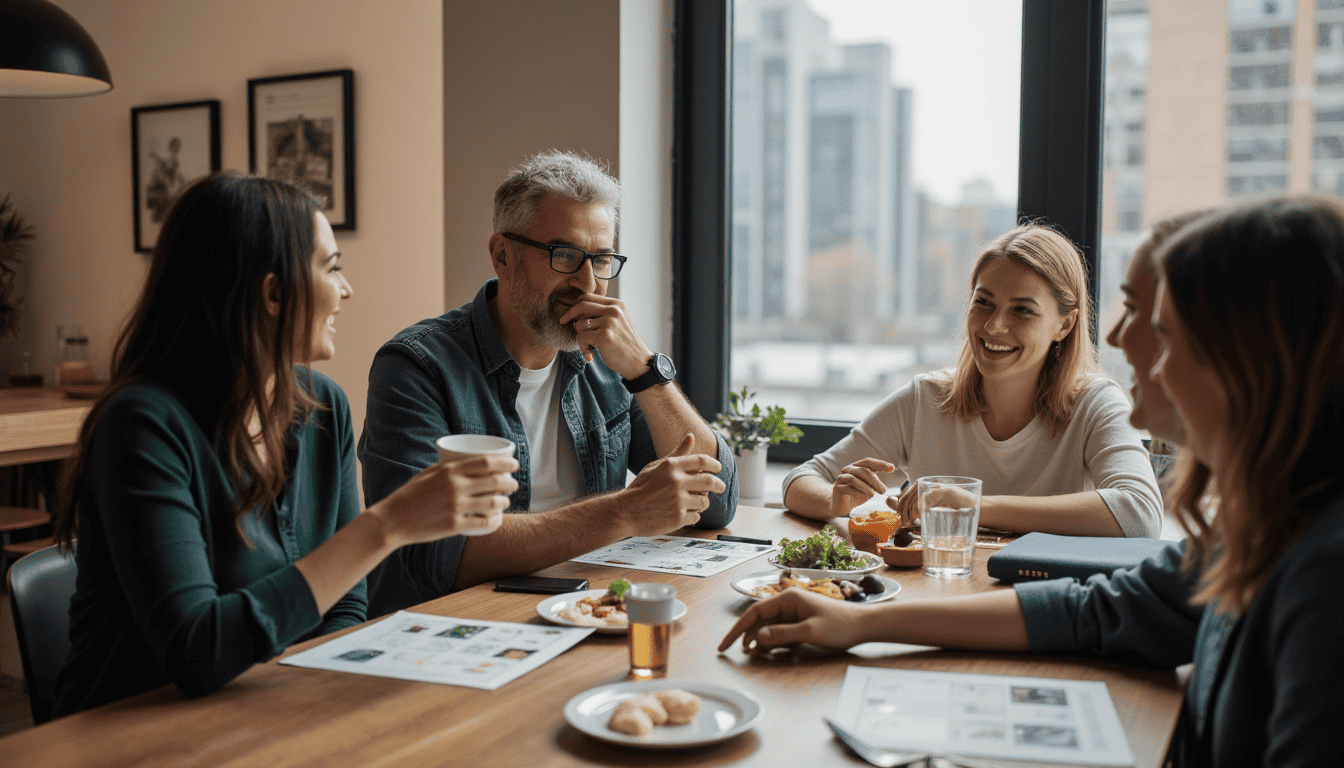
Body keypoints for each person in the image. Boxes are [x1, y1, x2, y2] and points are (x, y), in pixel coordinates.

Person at [720, 199, 1344, 767]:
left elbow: (1130, 521)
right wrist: (858, 623)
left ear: (1245, 363)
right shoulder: (1248, 536)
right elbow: (1090, 610)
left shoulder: (1323, 575)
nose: (1125, 340)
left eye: (1162, 327)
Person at [50, 174, 518, 717]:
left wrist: (316, 706)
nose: (346, 289)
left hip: (263, 712)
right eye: (332, 267)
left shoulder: (324, 408)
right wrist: (387, 525)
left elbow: (346, 604)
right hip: (129, 734)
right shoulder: (141, 426)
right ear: (272, 293)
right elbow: (195, 652)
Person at [360, 150, 736, 615]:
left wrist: (644, 370)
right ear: (503, 255)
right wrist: (625, 512)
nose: (587, 283)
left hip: (582, 615)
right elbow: (432, 556)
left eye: (600, 260)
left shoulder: (611, 363)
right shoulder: (416, 367)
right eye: (565, 256)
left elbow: (718, 502)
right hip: (453, 631)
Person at [783, 223, 1163, 537]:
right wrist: (835, 502)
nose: (995, 325)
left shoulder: (1096, 403)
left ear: (1064, 324)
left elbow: (1139, 514)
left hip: (1035, 609)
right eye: (984, 302)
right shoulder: (924, 400)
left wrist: (972, 506)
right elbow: (801, 480)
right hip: (931, 598)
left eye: (1022, 310)